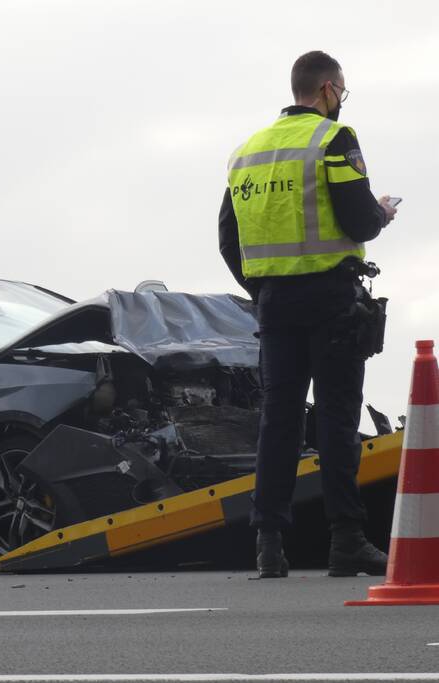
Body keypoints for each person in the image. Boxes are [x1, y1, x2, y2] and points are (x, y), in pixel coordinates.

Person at [218, 50, 398, 578]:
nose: (341, 101)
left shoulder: (247, 152)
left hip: (275, 303)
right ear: (328, 90)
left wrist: (262, 287)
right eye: (341, 92)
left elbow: (228, 239)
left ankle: (269, 545)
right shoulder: (334, 140)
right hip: (331, 300)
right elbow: (359, 220)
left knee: (279, 421)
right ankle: (347, 541)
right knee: (338, 419)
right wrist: (382, 213)